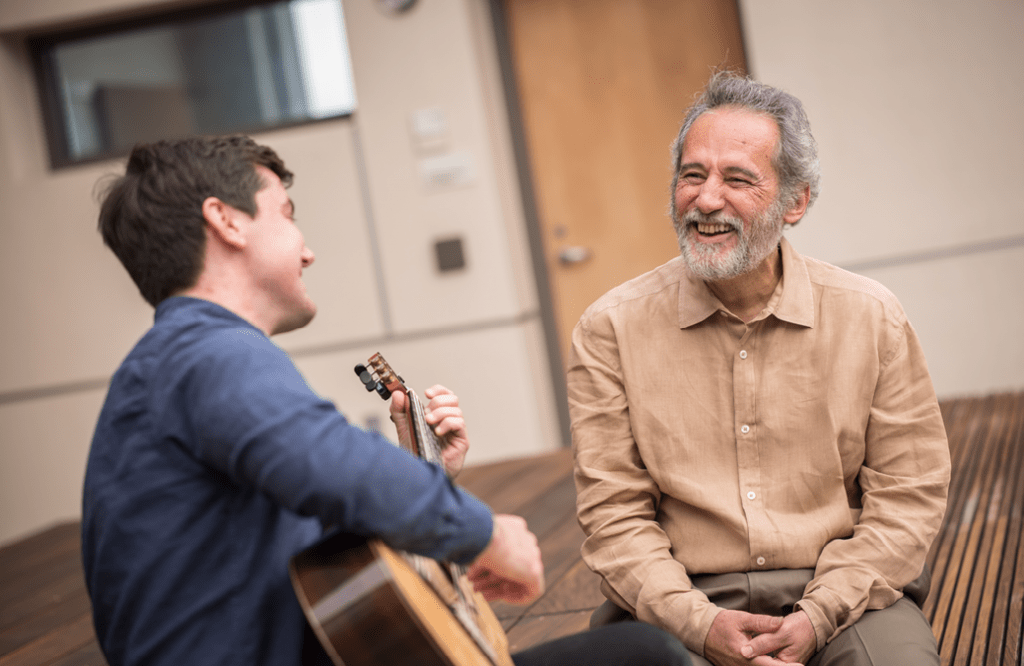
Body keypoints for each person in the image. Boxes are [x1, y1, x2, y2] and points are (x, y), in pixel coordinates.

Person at [83, 134, 691, 666]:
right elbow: (330, 465)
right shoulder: (206, 353)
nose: (307, 248)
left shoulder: (178, 360)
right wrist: (485, 533)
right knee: (648, 657)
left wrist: (423, 477)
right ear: (227, 221)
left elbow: (308, 534)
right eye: (287, 215)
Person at [568, 72, 951, 666]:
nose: (707, 199)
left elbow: (908, 498)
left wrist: (819, 614)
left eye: (738, 179)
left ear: (795, 202)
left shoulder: (870, 316)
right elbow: (614, 516)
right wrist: (701, 625)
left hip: (847, 598)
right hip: (682, 601)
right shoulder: (609, 328)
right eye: (692, 175)